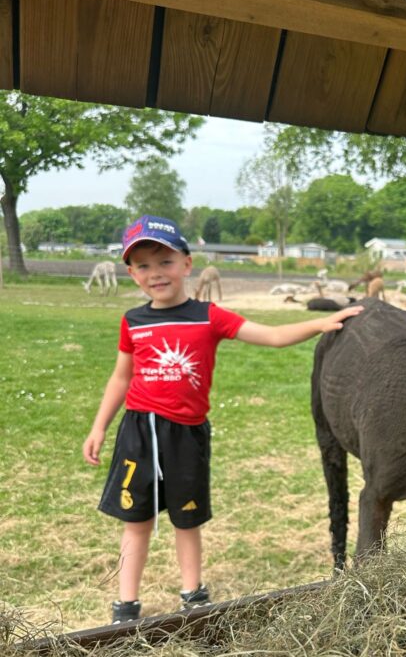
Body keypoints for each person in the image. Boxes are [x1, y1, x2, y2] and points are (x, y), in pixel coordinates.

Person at [83, 215, 362, 624]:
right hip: (139, 434)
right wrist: (99, 426)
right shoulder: (133, 321)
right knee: (137, 520)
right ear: (131, 273)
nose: (155, 273)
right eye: (143, 265)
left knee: (187, 518)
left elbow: (270, 335)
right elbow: (121, 376)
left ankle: (193, 596)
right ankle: (126, 607)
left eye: (165, 262)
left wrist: (321, 323)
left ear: (187, 264)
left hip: (187, 435)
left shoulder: (209, 316)